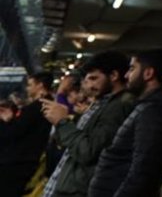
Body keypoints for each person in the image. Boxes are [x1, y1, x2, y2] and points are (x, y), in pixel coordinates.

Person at [89, 50, 162, 197]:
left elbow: (144, 169)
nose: (126, 75)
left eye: (132, 69)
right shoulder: (148, 106)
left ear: (148, 73)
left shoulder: (156, 111)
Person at [41, 52, 134, 197]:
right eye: (87, 79)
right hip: (66, 187)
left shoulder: (118, 107)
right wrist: (59, 123)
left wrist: (63, 122)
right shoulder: (100, 104)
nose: (89, 85)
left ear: (114, 75)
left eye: (94, 78)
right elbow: (72, 144)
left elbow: (87, 151)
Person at [0, 72, 54, 196]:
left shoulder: (37, 107)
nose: (27, 88)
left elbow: (13, 132)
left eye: (30, 85)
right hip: (24, 162)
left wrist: (6, 121)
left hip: (16, 165)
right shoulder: (46, 105)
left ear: (40, 85)